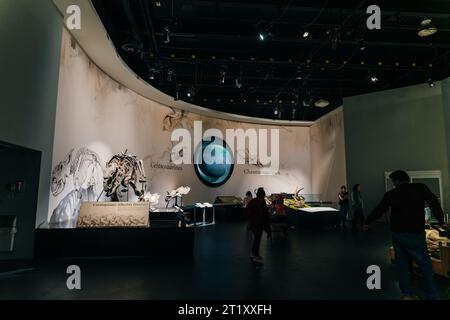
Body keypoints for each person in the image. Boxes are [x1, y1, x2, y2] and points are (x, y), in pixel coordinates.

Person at [363, 170, 447, 300]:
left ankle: (407, 294)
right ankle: (432, 295)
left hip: (397, 233)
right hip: (415, 233)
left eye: (393, 182)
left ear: (396, 181)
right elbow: (433, 202)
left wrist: (367, 222)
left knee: (401, 265)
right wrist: (441, 220)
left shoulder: (391, 194)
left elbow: (379, 209)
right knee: (425, 265)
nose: (393, 184)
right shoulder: (420, 188)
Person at [245, 187, 272, 264]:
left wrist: (268, 211)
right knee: (257, 238)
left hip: (260, 223)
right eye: (261, 196)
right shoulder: (253, 202)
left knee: (258, 239)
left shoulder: (262, 202)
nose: (262, 198)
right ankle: (254, 255)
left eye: (262, 196)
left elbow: (265, 213)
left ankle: (254, 254)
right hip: (254, 223)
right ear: (258, 195)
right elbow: (247, 210)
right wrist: (249, 220)